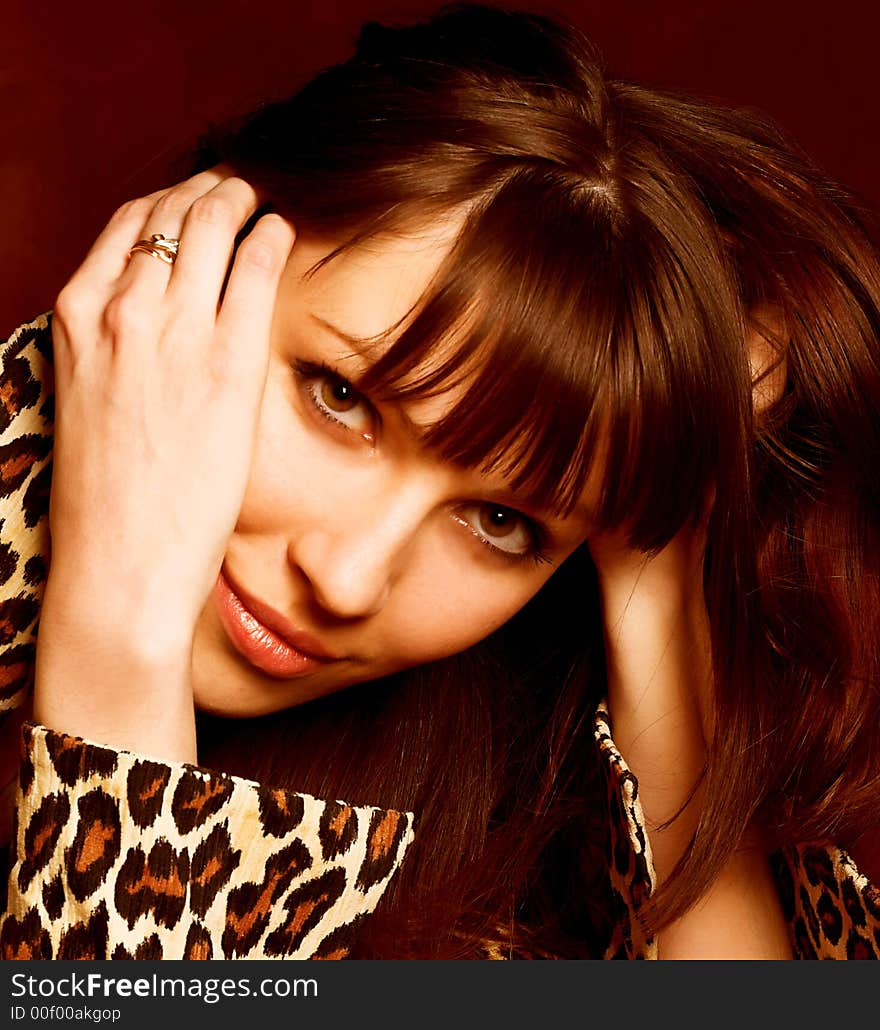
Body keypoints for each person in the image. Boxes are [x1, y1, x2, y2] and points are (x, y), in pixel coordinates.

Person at [1, 3, 878, 960]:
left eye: (503, 522)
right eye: (340, 397)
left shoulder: (491, 818)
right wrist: (123, 625)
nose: (346, 579)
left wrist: (661, 568)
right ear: (204, 240)